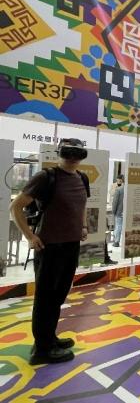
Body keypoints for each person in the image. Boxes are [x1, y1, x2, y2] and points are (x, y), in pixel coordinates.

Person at [10, 138, 90, 365]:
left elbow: (82, 205)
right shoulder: (46, 177)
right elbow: (15, 206)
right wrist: (30, 236)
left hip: (71, 245)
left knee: (58, 295)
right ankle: (42, 350)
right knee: (45, 298)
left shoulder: (82, 178)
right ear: (59, 153)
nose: (72, 158)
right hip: (50, 246)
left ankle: (48, 338)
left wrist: (83, 226)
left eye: (77, 153)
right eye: (67, 152)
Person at [112, 174, 124, 247]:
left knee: (118, 226)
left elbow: (115, 202)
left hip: (119, 211)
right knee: (120, 226)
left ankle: (116, 241)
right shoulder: (129, 189)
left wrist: (113, 211)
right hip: (125, 211)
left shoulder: (119, 189)